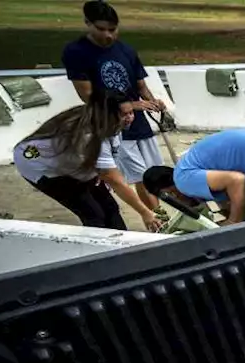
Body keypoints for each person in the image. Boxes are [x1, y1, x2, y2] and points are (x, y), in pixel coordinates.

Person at [62, 1, 166, 215]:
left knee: (154, 172)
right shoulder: (76, 51)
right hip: (111, 125)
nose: (108, 35)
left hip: (138, 121)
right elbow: (87, 95)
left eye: (112, 29)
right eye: (101, 29)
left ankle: (164, 213)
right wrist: (131, 105)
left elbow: (141, 85)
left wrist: (153, 102)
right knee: (138, 175)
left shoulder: (125, 49)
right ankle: (159, 219)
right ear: (87, 23)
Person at [13, 91, 162, 232]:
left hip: (72, 161)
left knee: (110, 206)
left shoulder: (111, 124)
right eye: (124, 114)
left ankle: (123, 247)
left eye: (131, 112)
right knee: (93, 213)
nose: (129, 118)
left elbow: (109, 166)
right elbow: (114, 180)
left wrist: (99, 172)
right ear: (106, 114)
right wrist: (145, 213)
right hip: (40, 166)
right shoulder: (89, 135)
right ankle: (104, 253)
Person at [141, 128, 245, 224]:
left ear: (171, 193)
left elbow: (236, 181)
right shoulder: (191, 168)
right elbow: (228, 201)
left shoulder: (183, 180)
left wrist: (233, 221)